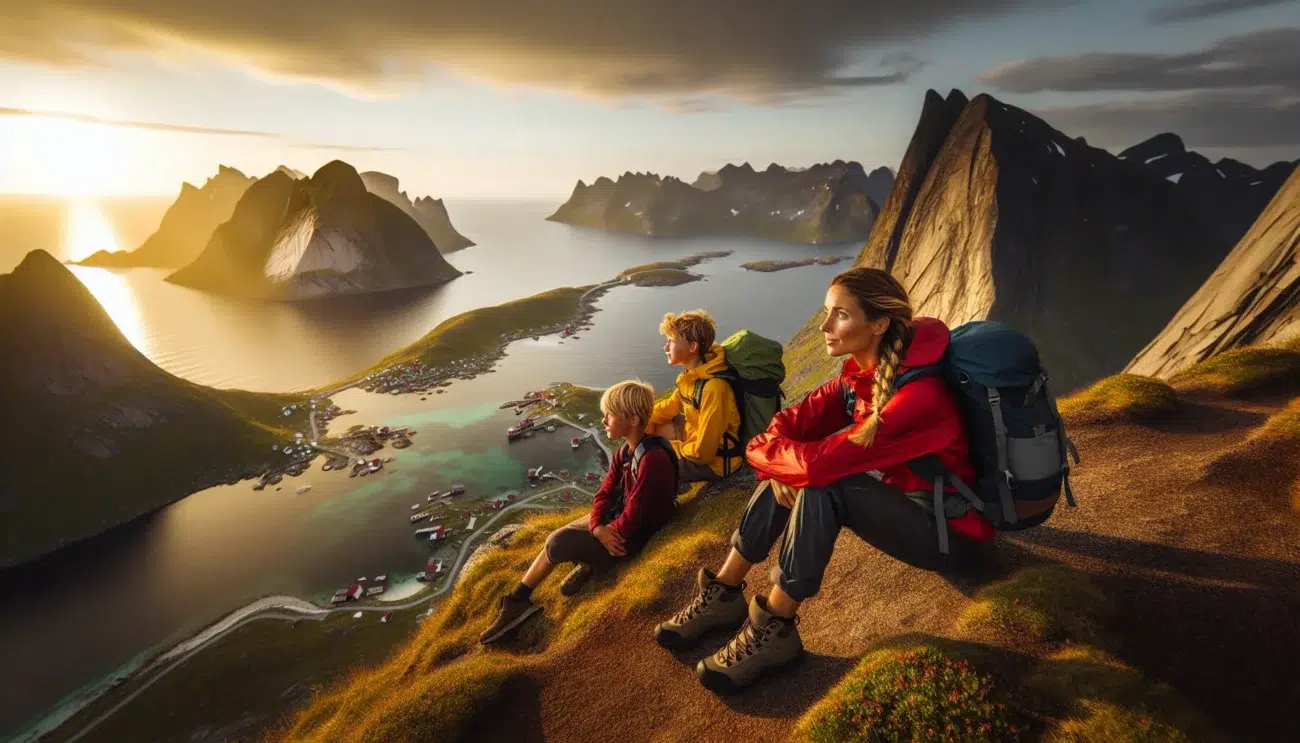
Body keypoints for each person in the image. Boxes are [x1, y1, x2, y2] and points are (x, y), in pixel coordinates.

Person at [653, 267, 995, 692]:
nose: (825, 325)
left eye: (841, 316)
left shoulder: (918, 400)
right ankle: (724, 592)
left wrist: (788, 466)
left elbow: (817, 467)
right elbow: (776, 428)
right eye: (828, 312)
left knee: (823, 481)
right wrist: (782, 466)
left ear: (879, 324)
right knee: (800, 469)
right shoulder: (856, 379)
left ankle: (774, 629)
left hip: (951, 537)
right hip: (908, 509)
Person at [479, 380, 679, 644]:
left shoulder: (652, 459)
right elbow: (604, 492)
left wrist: (604, 532)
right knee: (567, 532)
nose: (604, 419)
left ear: (632, 419)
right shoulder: (627, 450)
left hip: (630, 541)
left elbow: (634, 518)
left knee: (558, 541)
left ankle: (526, 598)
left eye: (610, 414)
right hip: (618, 526)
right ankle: (579, 570)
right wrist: (597, 526)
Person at [648, 309, 743, 488]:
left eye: (672, 341)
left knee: (652, 465)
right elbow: (671, 405)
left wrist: (669, 448)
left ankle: (662, 498)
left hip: (718, 462)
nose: (666, 347)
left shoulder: (714, 389)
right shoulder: (693, 376)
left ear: (692, 347)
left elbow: (703, 453)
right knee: (651, 428)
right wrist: (639, 419)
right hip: (695, 443)